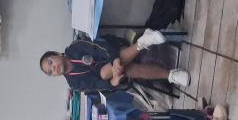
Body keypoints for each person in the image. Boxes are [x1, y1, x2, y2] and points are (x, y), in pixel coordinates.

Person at [40, 30, 189, 93]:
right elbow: (96, 86)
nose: (54, 68)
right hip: (112, 74)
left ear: (57, 54)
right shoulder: (74, 84)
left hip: (112, 49)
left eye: (51, 62)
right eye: (50, 72)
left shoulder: (74, 47)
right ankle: (143, 42)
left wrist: (115, 60)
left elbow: (99, 48)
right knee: (111, 73)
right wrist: (114, 81)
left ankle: (171, 75)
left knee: (118, 69)